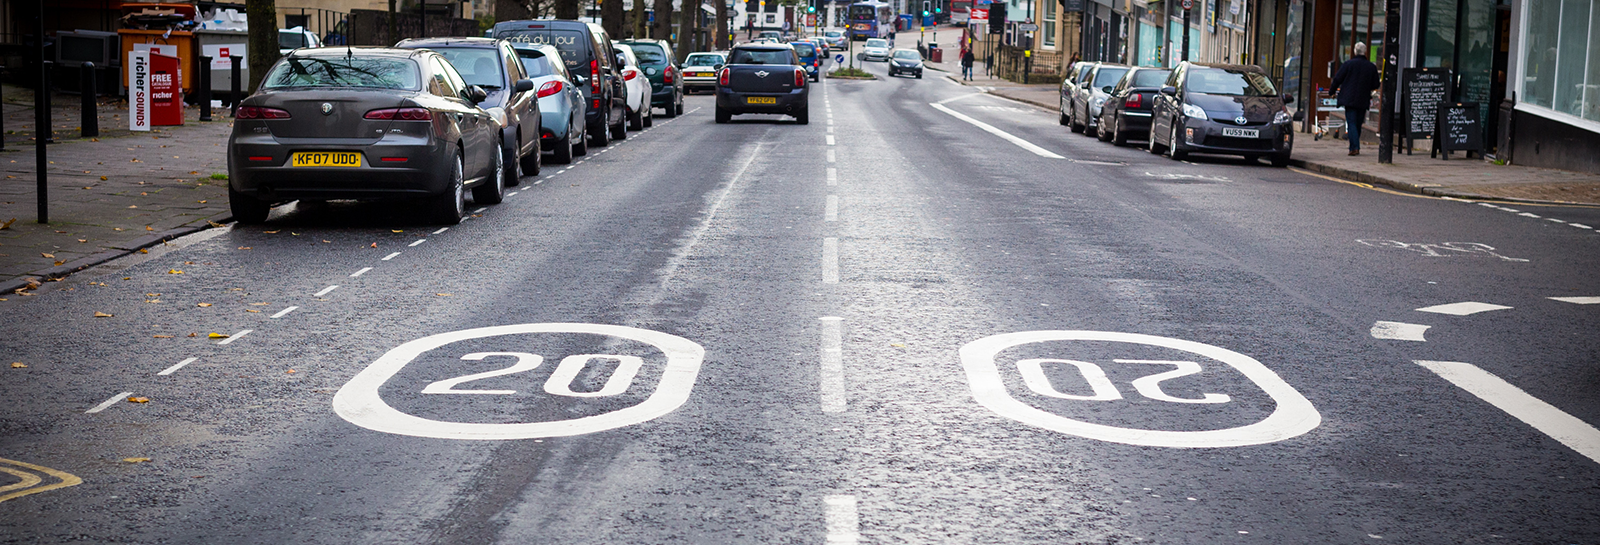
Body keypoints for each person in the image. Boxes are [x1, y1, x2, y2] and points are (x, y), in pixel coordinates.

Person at [1329, 42, 1380, 156]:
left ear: (1355, 52)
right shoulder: (1371, 66)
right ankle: (1354, 146)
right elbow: (1376, 84)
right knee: (1357, 123)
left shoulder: (1348, 64)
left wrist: (1331, 91)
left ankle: (1354, 147)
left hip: (1349, 98)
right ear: (1365, 52)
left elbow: (1337, 79)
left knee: (1351, 122)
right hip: (1363, 98)